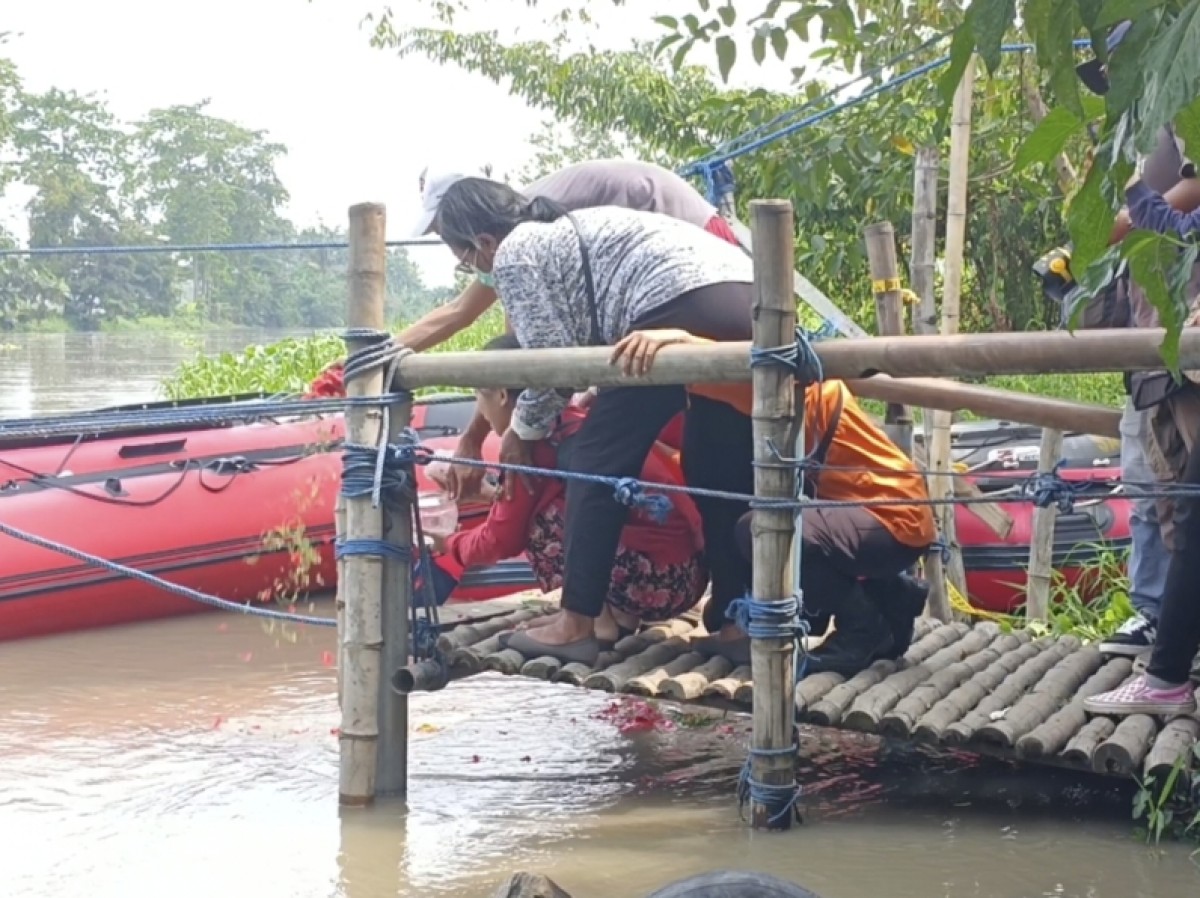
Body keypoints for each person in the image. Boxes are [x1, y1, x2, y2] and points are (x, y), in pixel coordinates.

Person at [430, 175, 759, 665]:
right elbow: (573, 349)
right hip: (743, 296)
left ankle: (576, 623)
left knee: (593, 458)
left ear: (482, 242)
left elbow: (552, 362)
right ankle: (737, 620)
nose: (473, 269)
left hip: (671, 307)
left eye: (466, 259)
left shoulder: (517, 250)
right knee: (713, 460)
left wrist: (521, 433)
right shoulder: (560, 233)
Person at [308, 159, 743, 482]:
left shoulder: (518, 235)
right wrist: (361, 363)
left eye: (445, 237)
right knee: (697, 431)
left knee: (613, 447)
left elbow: (537, 356)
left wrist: (513, 431)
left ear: (466, 217)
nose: (453, 254)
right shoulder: (512, 224)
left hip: (686, 267)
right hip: (693, 282)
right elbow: (473, 316)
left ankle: (594, 595)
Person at [417, 334, 708, 641]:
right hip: (687, 574)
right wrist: (491, 496)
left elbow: (502, 540)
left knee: (542, 526)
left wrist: (449, 545)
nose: (483, 415)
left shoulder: (534, 446)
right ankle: (615, 613)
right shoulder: (573, 421)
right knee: (574, 507)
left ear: (501, 395)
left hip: (660, 583)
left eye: (480, 399)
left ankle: (598, 622)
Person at [1069, 21, 1198, 658]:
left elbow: (1176, 206)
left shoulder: (1184, 114)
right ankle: (1156, 613)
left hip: (1184, 325)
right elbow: (1111, 242)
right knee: (1149, 485)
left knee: (1181, 489)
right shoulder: (1127, 138)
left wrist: (1115, 224)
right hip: (1144, 331)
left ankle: (1176, 629)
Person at [1084, 143, 1200, 716]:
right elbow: (1168, 223)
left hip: (1181, 364)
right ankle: (1169, 673)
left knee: (1186, 511)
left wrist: (1130, 193)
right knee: (1183, 507)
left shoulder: (1183, 127)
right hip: (1166, 356)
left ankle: (1169, 674)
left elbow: (1162, 219)